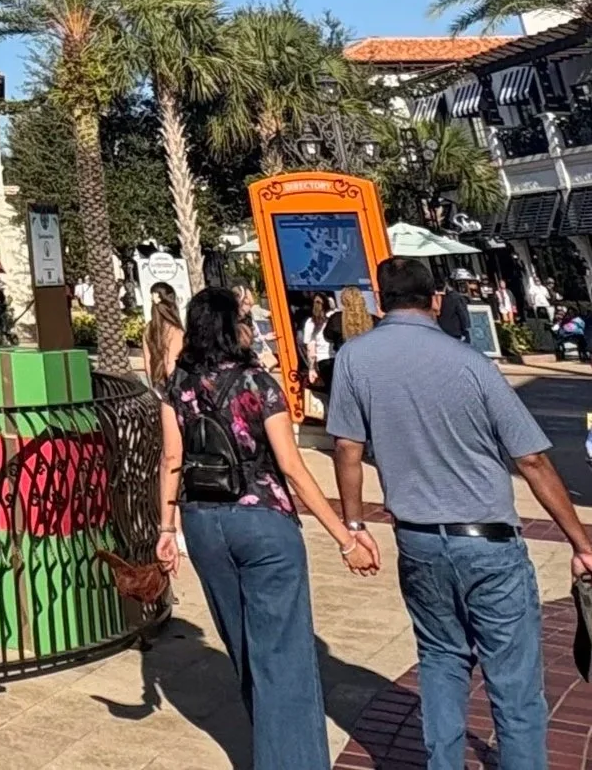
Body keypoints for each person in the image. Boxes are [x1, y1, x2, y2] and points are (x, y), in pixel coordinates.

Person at [328, 254, 592, 770]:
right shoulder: (470, 363)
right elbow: (531, 459)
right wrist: (580, 540)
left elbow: (347, 450)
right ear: (434, 300)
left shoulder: (355, 359)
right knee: (512, 683)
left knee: (441, 661)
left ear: (381, 301)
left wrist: (354, 526)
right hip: (488, 540)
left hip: (419, 540)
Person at [157, 285, 377, 769]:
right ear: (233, 327)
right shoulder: (259, 383)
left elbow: (172, 458)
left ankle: (273, 749)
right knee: (284, 655)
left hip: (203, 521)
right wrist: (346, 538)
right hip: (263, 521)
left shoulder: (178, 385)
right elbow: (293, 468)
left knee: (243, 646)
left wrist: (165, 529)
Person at [144, 281, 185, 388]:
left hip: (157, 382)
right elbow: (170, 362)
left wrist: (152, 387)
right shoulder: (175, 331)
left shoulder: (149, 329)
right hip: (173, 386)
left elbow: (148, 361)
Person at [436, 273, 472, 344]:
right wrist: (465, 327)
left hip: (441, 332)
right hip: (455, 331)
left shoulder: (434, 299)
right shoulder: (454, 297)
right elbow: (462, 313)